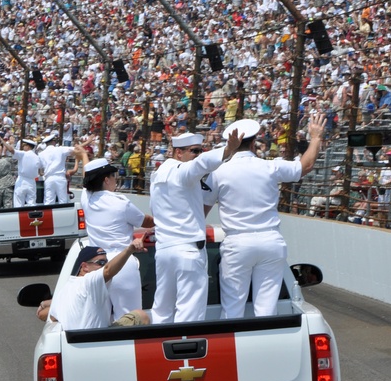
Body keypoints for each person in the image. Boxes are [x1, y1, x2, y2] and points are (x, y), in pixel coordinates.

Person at [208, 113, 326, 319]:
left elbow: (202, 210)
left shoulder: (218, 172)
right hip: (270, 240)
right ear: (254, 143)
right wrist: (315, 137)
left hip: (238, 242)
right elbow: (305, 166)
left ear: (231, 143)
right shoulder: (270, 166)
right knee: (266, 311)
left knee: (232, 310)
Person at [149, 129, 241, 324]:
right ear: (178, 153)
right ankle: (184, 353)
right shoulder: (183, 171)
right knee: (189, 314)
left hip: (164, 250)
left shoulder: (157, 175)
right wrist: (227, 150)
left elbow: (155, 210)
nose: (198, 155)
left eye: (200, 150)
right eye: (194, 150)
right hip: (187, 250)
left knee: (162, 311)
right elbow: (202, 164)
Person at [74, 149, 155, 319]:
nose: (115, 180)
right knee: (130, 317)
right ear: (106, 179)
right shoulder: (120, 203)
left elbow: (86, 176)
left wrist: (83, 156)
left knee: (99, 317)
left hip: (96, 264)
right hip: (122, 262)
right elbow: (146, 222)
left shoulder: (86, 198)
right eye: (113, 176)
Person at [45, 242, 149, 330]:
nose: (104, 266)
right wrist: (129, 250)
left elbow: (52, 317)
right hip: (99, 342)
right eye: (101, 262)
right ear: (85, 266)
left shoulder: (64, 291)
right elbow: (108, 271)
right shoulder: (89, 282)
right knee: (141, 315)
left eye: (106, 262)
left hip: (74, 346)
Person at [38, 133, 74, 204]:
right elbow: (75, 149)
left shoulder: (41, 154)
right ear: (53, 142)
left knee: (49, 201)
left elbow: (40, 167)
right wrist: (87, 142)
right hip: (60, 177)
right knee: (63, 201)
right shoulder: (60, 149)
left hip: (49, 178)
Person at [12, 138, 41, 207]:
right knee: (32, 204)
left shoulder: (23, 154)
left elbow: (11, 150)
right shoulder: (37, 157)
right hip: (32, 182)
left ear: (28, 146)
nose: (23, 147)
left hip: (22, 180)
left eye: (24, 145)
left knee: (18, 203)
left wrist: (1, 140)